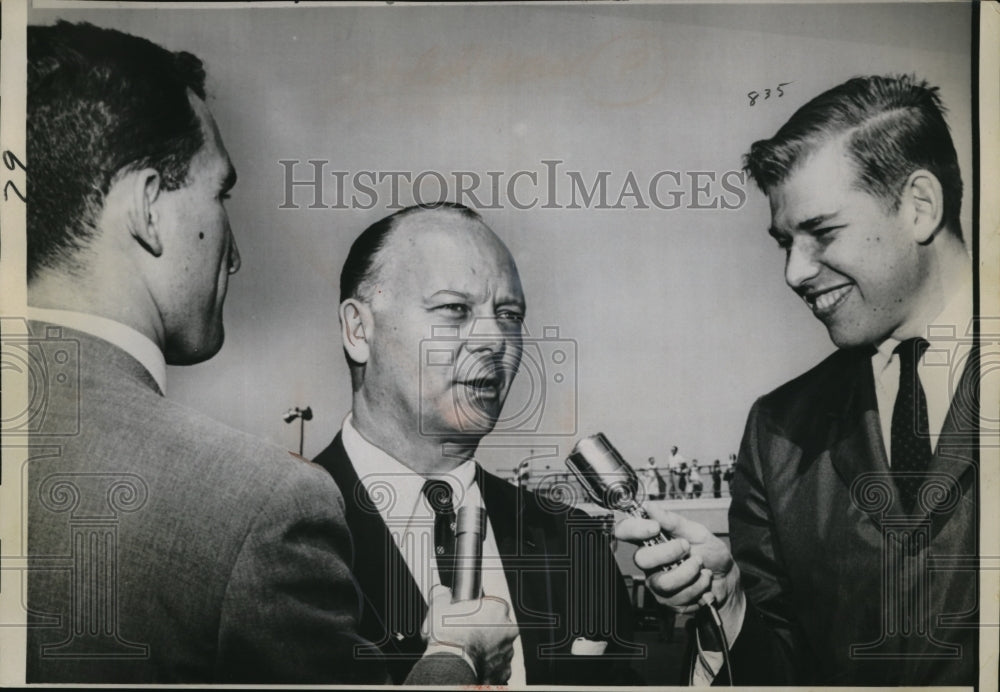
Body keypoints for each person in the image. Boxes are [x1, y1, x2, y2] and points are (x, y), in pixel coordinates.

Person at [24, 21, 515, 684]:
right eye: (220, 193)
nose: (235, 253)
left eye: (509, 315)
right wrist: (458, 656)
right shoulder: (263, 509)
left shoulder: (566, 534)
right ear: (147, 208)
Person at [616, 74, 977, 686]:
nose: (795, 271)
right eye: (785, 242)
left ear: (921, 205)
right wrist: (730, 606)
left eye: (823, 232)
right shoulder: (779, 432)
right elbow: (779, 671)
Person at [312, 203, 639, 686]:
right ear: (359, 330)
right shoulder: (285, 536)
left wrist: (717, 628)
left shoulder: (573, 541)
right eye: (454, 309)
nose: (493, 338)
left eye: (509, 314)